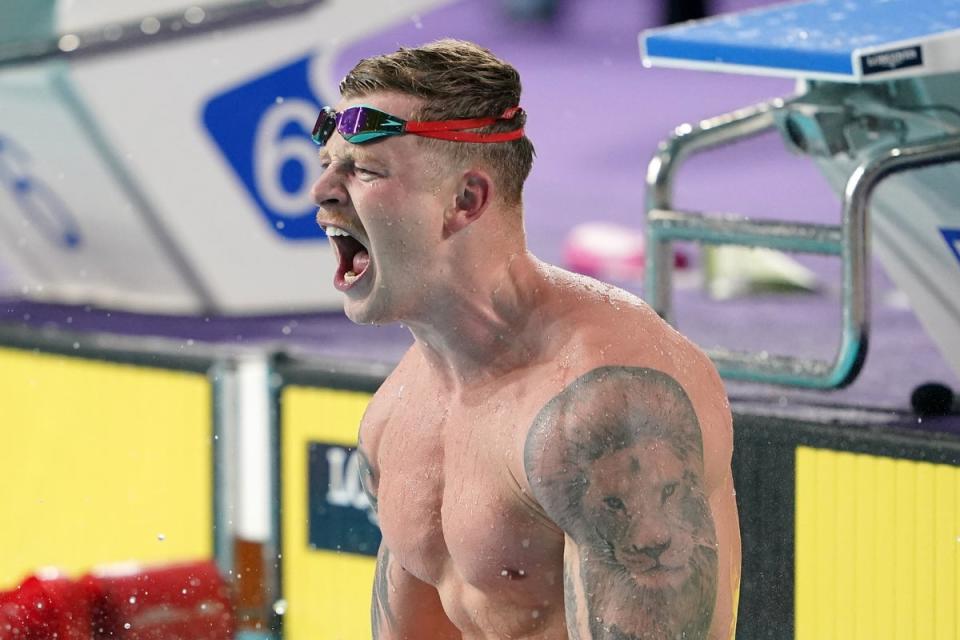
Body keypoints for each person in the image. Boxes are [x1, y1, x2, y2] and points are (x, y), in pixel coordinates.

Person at [310, 39, 740, 639]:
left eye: (364, 170)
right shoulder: (400, 409)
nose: (322, 191)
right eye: (328, 165)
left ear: (466, 200)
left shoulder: (603, 406)